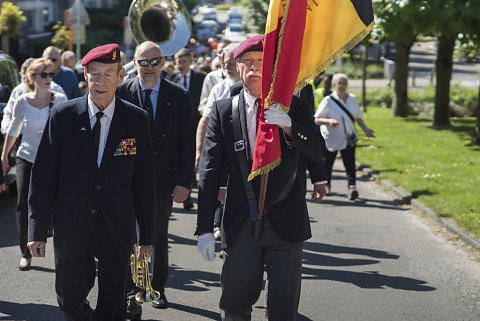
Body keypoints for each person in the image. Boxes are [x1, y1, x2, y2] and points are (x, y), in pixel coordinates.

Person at [196, 35, 325, 321]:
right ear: (237, 67)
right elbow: (209, 171)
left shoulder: (294, 101)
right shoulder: (223, 109)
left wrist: (290, 127)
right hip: (241, 222)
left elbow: (317, 151)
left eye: (261, 62)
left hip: (286, 223)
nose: (254, 68)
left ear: (271, 68)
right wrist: (204, 226)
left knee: (282, 310)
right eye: (247, 62)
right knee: (234, 306)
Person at [27, 44, 156, 321]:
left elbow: (144, 182)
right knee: (70, 300)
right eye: (94, 74)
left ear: (122, 76)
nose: (101, 81)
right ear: (84, 75)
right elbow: (43, 175)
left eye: (109, 73)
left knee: (113, 304)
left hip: (117, 225)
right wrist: (37, 229)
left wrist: (147, 236)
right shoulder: (63, 116)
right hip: (72, 223)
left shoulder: (136, 119)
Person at [117, 41, 195, 317]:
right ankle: (132, 292)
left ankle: (158, 288)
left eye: (155, 61)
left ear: (164, 63)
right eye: (143, 61)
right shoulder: (121, 92)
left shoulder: (179, 95)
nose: (149, 67)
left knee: (157, 236)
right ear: (134, 63)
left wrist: (185, 181)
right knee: (129, 237)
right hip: (127, 180)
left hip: (163, 181)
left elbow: (187, 143)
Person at [1, 58, 68, 271]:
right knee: (23, 203)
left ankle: (63, 254)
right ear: (32, 78)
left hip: (52, 161)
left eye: (51, 74)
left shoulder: (59, 100)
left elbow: (68, 133)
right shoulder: (22, 101)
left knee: (57, 204)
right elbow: (13, 129)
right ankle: (25, 253)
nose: (49, 78)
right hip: (26, 157)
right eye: (44, 74)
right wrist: (3, 158)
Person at [314, 73, 374, 200]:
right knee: (328, 162)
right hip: (331, 137)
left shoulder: (352, 99)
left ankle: (352, 187)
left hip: (348, 136)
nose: (341, 86)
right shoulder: (328, 100)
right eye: (339, 83)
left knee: (349, 162)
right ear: (334, 85)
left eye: (344, 83)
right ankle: (327, 184)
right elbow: (317, 119)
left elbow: (358, 117)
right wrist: (329, 122)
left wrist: (366, 129)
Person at [174, 48, 205, 210]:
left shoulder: (200, 78)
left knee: (190, 156)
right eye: (178, 61)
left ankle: (187, 193)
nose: (180, 65)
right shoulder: (170, 78)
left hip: (195, 124)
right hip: (175, 126)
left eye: (184, 61)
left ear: (190, 62)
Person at [1, 58, 66, 135]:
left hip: (50, 143)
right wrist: (6, 129)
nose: (26, 78)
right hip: (22, 139)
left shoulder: (57, 92)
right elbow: (9, 112)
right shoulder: (19, 92)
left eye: (49, 74)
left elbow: (66, 124)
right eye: (23, 74)